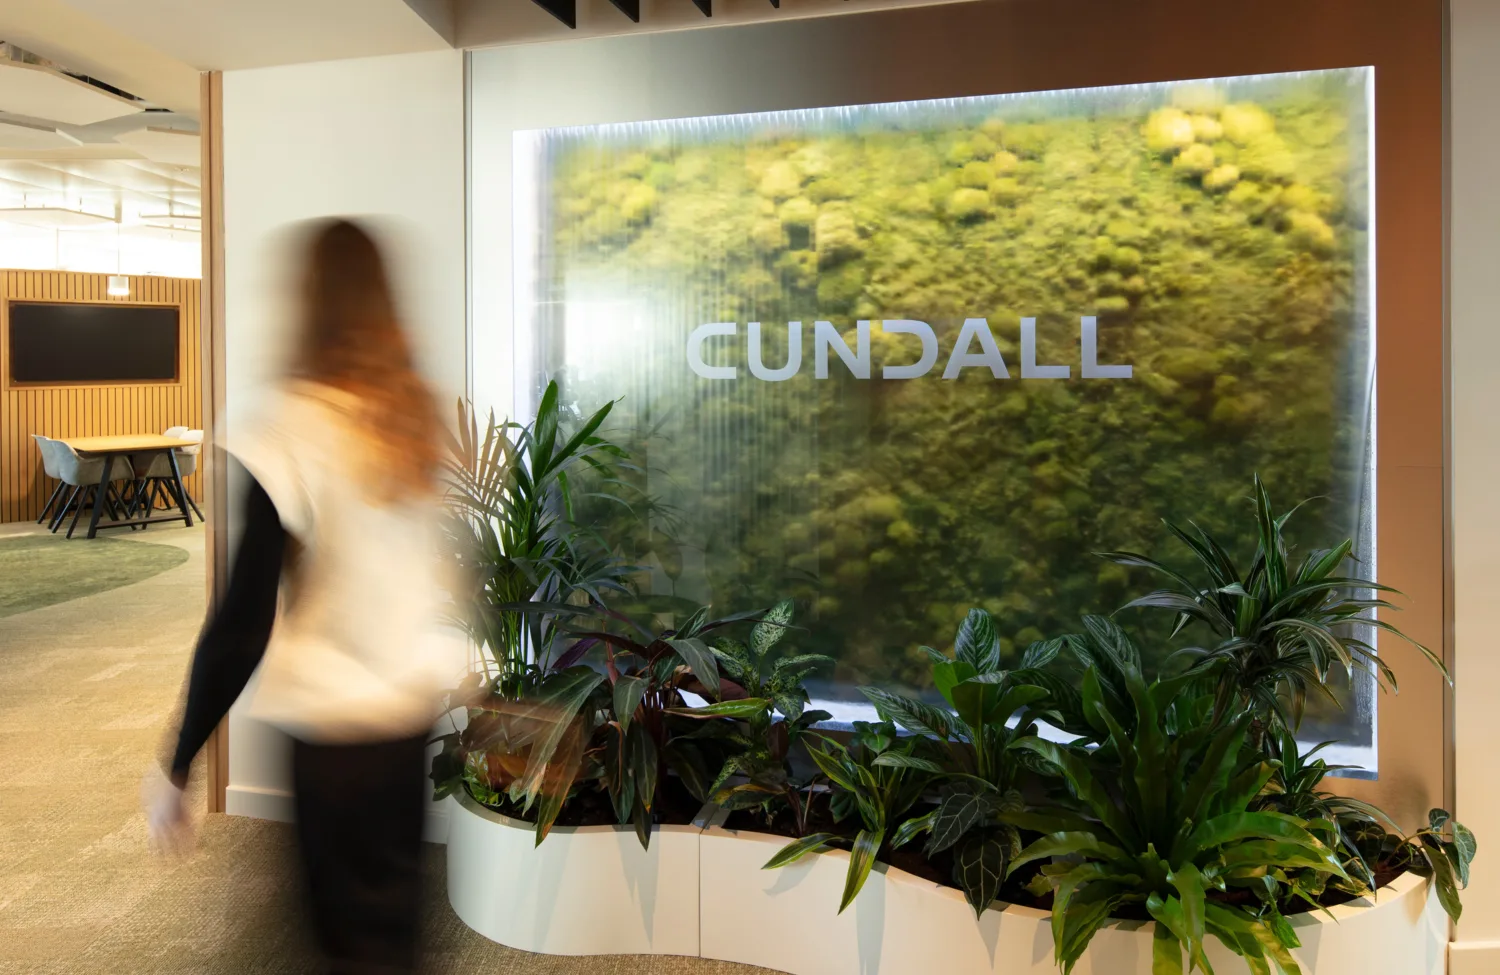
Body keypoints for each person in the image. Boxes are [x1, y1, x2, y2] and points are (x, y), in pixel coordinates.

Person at [144, 218, 463, 974]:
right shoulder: (411, 416)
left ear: (309, 299)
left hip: (333, 734)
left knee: (348, 943)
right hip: (406, 720)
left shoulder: (281, 425)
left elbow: (241, 622)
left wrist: (177, 760)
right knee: (391, 937)